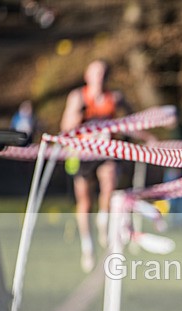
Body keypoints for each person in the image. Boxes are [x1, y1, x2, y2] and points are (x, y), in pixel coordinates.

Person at [60, 59, 135, 272]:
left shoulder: (114, 98)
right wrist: (79, 115)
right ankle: (88, 246)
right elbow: (65, 127)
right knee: (84, 201)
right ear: (87, 76)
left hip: (105, 152)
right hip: (82, 155)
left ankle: (103, 219)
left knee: (109, 178)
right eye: (95, 73)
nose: (99, 78)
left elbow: (132, 117)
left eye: (102, 73)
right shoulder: (78, 97)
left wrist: (129, 130)